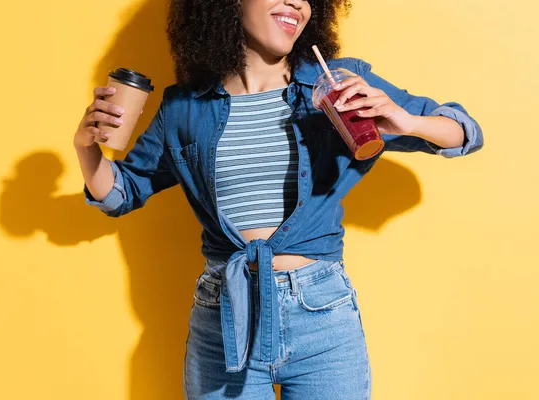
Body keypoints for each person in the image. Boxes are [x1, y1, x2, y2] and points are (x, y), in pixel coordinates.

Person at [73, 0, 484, 398]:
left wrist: (405, 120)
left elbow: (464, 132)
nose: (297, 3)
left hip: (321, 314)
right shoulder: (184, 106)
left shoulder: (337, 85)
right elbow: (122, 193)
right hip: (224, 319)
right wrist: (86, 148)